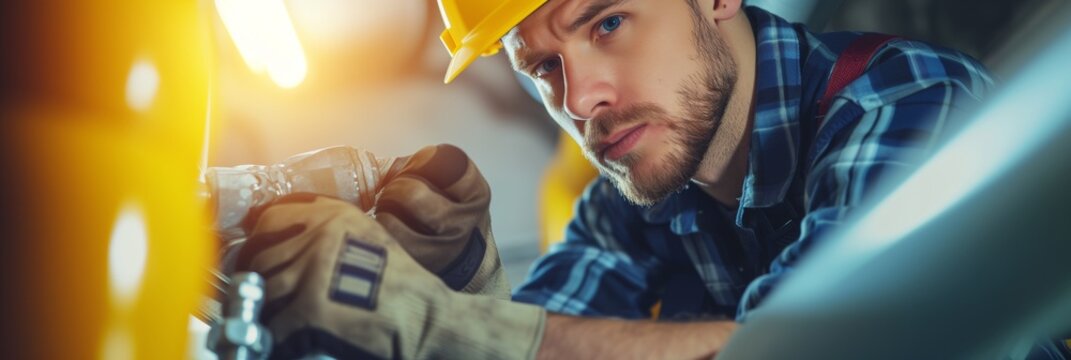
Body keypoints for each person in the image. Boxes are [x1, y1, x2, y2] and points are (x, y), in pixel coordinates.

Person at [232, 1, 1071, 359]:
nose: (581, 99)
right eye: (542, 68)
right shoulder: (624, 211)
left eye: (606, 21)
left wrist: (447, 326)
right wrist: (457, 283)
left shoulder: (908, 102)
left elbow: (836, 352)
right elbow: (531, 345)